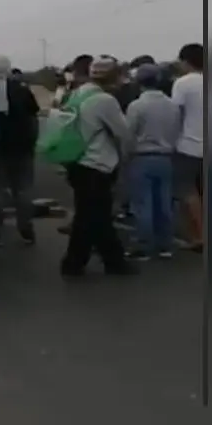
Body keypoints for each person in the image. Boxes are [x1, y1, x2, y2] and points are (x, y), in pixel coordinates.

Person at [60, 56, 136, 277]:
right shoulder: (104, 100)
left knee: (89, 216)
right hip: (97, 162)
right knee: (95, 216)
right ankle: (106, 262)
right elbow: (123, 132)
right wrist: (127, 154)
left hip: (77, 160)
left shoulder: (78, 94)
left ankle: (81, 261)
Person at [0, 55, 41, 246]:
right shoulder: (21, 90)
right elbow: (33, 118)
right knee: (23, 189)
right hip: (22, 148)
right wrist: (32, 141)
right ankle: (26, 226)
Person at [124, 64, 180, 260]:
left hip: (142, 157)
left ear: (138, 82)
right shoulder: (172, 105)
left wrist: (125, 155)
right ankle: (165, 244)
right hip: (166, 157)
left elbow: (129, 134)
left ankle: (143, 245)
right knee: (164, 203)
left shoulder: (137, 106)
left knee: (143, 204)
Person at [171, 43, 204, 252]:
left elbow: (176, 113)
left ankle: (199, 236)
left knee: (189, 193)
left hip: (188, 145)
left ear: (185, 61)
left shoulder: (183, 83)